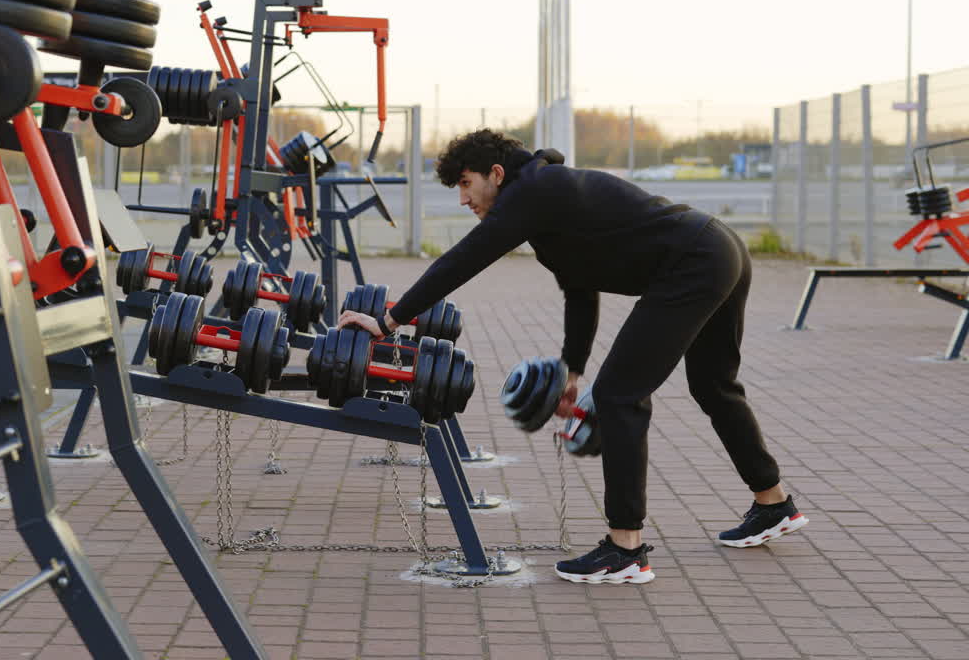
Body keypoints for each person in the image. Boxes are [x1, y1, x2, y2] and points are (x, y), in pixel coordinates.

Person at [337, 129, 807, 584]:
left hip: (695, 261)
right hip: (719, 249)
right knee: (712, 385)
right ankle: (773, 503)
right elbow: (581, 290)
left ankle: (625, 551)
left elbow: (464, 259)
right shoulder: (547, 202)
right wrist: (571, 370)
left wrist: (389, 321)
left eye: (466, 184)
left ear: (495, 173)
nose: (463, 199)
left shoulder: (535, 193)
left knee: (621, 397)